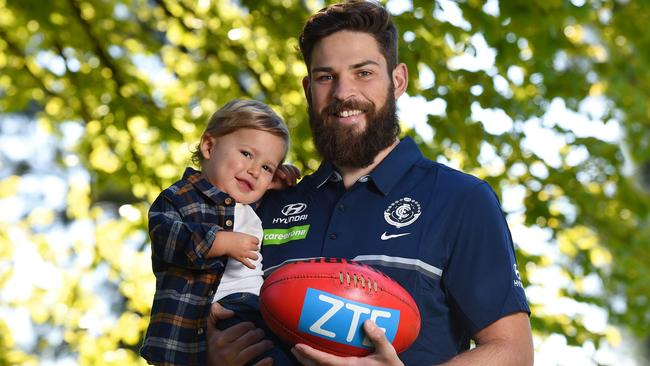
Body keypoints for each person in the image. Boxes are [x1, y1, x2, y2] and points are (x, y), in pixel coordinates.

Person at [207, 1, 534, 365]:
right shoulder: (264, 203)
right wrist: (209, 355)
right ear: (308, 89)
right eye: (325, 77)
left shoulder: (461, 199)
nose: (343, 93)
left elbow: (513, 352)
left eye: (363, 73)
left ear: (397, 81)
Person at [140, 99, 300, 365]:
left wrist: (280, 181)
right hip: (205, 320)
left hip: (257, 310)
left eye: (266, 167)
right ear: (209, 146)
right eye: (247, 154)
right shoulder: (181, 198)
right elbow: (165, 237)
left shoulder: (250, 208)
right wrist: (218, 241)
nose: (254, 170)